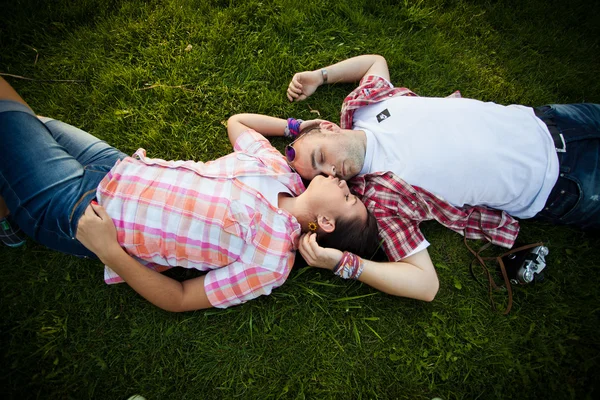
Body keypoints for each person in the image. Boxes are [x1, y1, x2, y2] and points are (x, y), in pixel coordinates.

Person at [0, 77, 380, 311]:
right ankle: (9, 212)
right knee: (30, 123)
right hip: (115, 165)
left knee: (10, 120)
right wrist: (295, 124)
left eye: (349, 198)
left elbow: (179, 299)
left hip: (87, 213)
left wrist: (109, 251)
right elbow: (238, 122)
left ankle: (14, 210)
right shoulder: (279, 170)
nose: (344, 183)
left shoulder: (270, 262)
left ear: (326, 222)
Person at [272, 54, 599, 302]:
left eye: (320, 158)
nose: (332, 174)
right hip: (563, 185)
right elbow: (426, 285)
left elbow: (374, 62)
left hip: (552, 120)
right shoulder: (380, 198)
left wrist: (320, 76)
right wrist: (342, 263)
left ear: (329, 128)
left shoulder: (365, 105)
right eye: (320, 174)